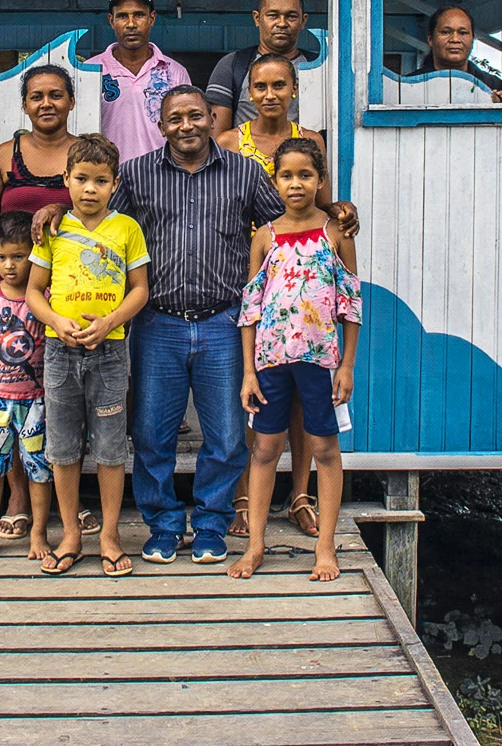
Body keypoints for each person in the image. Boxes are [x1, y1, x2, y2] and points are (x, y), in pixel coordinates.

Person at [79, 86, 356, 567]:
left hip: (224, 322)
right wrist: (52, 215)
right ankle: (164, 527)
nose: (185, 125)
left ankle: (210, 525)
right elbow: (96, 218)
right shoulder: (138, 174)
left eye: (194, 116)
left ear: (210, 118)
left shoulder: (245, 173)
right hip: (157, 322)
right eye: (174, 118)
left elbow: (292, 219)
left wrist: (337, 211)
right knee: (150, 435)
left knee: (227, 436)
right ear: (162, 125)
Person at [0, 65, 99, 546]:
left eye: (56, 95)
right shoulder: (5, 157)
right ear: (24, 104)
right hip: (13, 300)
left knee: (60, 402)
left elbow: (101, 208)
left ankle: (69, 501)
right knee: (11, 395)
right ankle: (17, 500)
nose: (46, 104)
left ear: (71, 101)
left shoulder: (83, 155)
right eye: (36, 96)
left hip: (71, 302)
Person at [228, 137, 361, 583]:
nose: (296, 184)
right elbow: (250, 307)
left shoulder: (335, 232)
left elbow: (350, 303)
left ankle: (325, 548)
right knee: (265, 449)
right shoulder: (264, 237)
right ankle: (256, 545)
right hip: (270, 361)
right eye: (286, 175)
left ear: (320, 180)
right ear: (275, 181)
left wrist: (347, 366)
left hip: (321, 361)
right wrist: (248, 371)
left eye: (306, 175)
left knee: (324, 448)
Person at [215, 54, 328, 539]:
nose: (269, 95)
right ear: (247, 92)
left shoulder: (310, 142)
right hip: (247, 272)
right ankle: (245, 497)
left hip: (301, 282)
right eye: (259, 86)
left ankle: (300, 495)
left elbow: (324, 204)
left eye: (279, 85)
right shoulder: (228, 143)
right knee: (256, 392)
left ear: (294, 88)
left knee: (303, 399)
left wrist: (342, 211)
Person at [26, 133, 150, 577]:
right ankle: (72, 535)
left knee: (112, 448)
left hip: (110, 352)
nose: (90, 189)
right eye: (81, 179)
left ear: (115, 183)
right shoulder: (54, 230)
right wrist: (57, 322)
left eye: (100, 180)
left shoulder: (126, 229)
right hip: (60, 353)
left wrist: (112, 321)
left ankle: (111, 536)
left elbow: (141, 289)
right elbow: (34, 292)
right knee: (62, 447)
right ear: (66, 179)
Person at [0, 212, 54, 561]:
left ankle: (39, 534)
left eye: (18, 257)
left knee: (39, 470)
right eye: (1, 257)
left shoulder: (46, 296)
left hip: (36, 401)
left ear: (34, 254)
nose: (10, 266)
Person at [89, 0, 190, 161]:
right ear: (111, 21)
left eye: (139, 15)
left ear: (152, 18)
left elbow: (187, 130)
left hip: (160, 179)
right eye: (122, 16)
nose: (131, 24)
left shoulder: (175, 73)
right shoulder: (90, 71)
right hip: (106, 180)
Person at [207, 0, 319, 134]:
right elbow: (217, 139)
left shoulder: (318, 67)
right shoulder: (233, 65)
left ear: (303, 20)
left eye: (291, 16)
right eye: (273, 15)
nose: (282, 23)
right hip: (244, 158)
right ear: (257, 18)